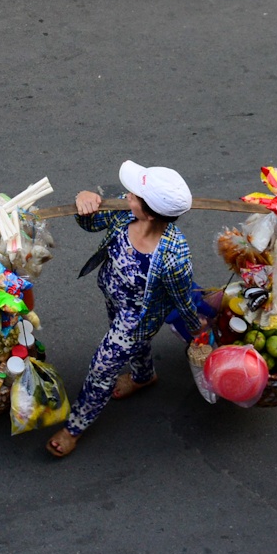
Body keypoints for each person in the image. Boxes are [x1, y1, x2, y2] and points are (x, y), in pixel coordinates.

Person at [46, 160, 203, 458]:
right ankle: (144, 376)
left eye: (134, 195)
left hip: (137, 317)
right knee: (138, 346)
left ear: (151, 211)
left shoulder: (175, 255)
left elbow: (183, 298)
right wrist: (85, 199)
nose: (127, 195)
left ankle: (74, 427)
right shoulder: (123, 213)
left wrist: (198, 330)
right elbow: (90, 223)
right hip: (113, 296)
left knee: (102, 368)